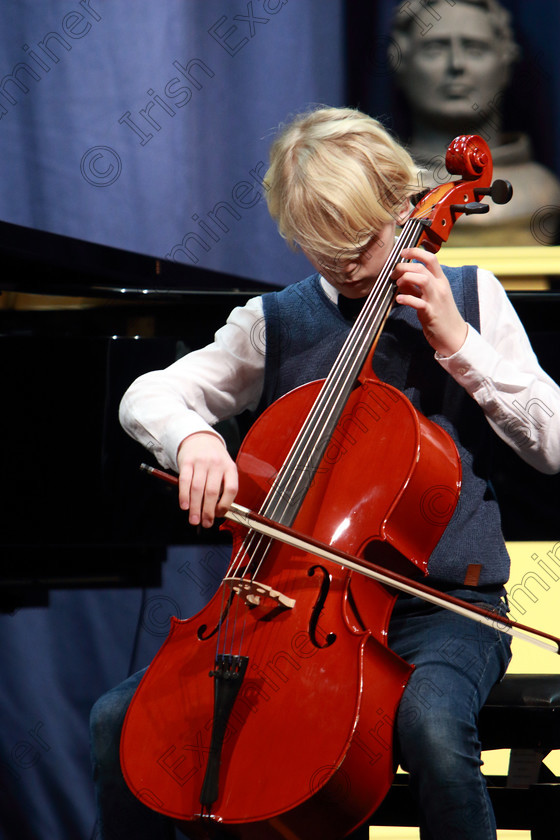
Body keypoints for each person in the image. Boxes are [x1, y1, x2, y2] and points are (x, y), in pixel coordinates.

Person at [90, 106, 560, 840]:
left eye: (362, 242)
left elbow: (553, 444)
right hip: (289, 608)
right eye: (320, 251)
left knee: (434, 730)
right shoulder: (272, 321)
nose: (344, 267)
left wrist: (460, 344)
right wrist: (193, 441)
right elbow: (150, 393)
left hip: (441, 612)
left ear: (405, 205)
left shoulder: (472, 299)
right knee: (117, 719)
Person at [389, 0, 560, 244]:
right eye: (435, 48)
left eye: (475, 49)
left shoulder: (543, 192)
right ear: (402, 62)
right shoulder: (378, 188)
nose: (456, 64)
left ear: (505, 62)